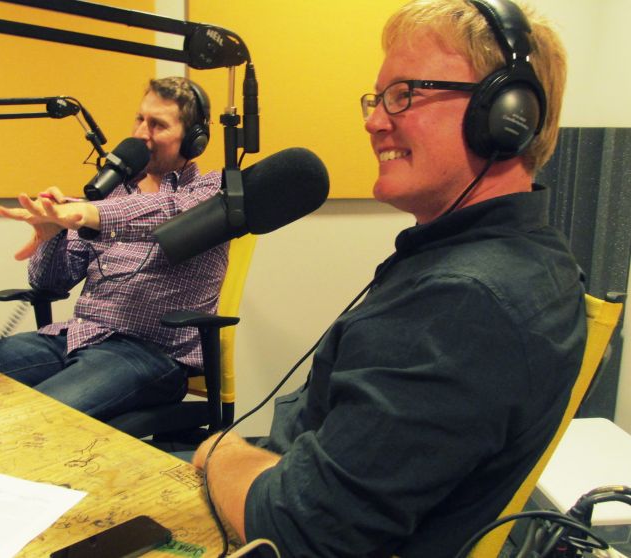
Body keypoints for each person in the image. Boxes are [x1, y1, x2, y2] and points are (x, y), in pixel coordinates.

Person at [191, 1, 586, 556]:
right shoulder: (531, 257)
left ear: (506, 115)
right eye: (376, 98)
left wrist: (219, 453)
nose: (374, 121)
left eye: (404, 94)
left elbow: (300, 529)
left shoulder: (464, 303)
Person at [0, 77, 227, 423]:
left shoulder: (213, 191)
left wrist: (88, 214)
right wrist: (53, 234)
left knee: (33, 419)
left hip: (149, 354)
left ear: (194, 139)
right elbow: (50, 284)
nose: (141, 133)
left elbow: (167, 212)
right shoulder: (112, 193)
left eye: (158, 125)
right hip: (75, 336)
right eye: (140, 119)